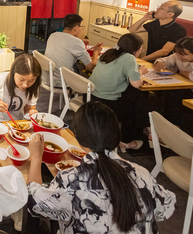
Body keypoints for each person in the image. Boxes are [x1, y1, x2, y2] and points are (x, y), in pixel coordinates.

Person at [27, 101, 176, 234]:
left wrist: (36, 157)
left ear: (78, 137)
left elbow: (33, 202)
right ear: (117, 136)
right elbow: (169, 205)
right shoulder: (142, 174)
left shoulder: (71, 181)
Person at [89, 33, 149, 151]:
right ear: (136, 49)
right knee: (138, 102)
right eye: (141, 48)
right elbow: (136, 83)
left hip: (93, 97)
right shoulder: (129, 58)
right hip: (107, 104)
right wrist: (140, 72)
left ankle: (148, 129)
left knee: (135, 96)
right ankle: (127, 140)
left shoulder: (109, 53)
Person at [44, 14, 102, 84]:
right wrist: (96, 51)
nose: (81, 29)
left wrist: (80, 41)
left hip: (46, 78)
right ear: (76, 28)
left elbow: (66, 40)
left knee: (76, 68)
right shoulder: (76, 42)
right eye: (81, 26)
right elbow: (90, 66)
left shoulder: (53, 35)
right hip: (61, 81)